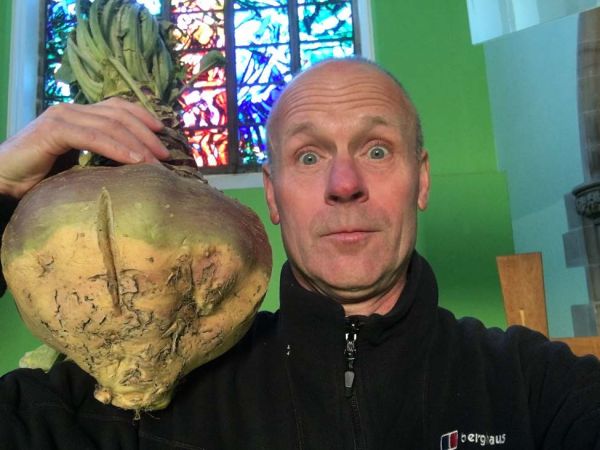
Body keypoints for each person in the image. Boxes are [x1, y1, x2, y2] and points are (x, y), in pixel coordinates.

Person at [0, 58, 599, 450]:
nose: (344, 183)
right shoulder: (124, 400)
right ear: (273, 196)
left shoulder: (534, 389)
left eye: (377, 150)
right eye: (309, 157)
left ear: (421, 180)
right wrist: (1, 185)